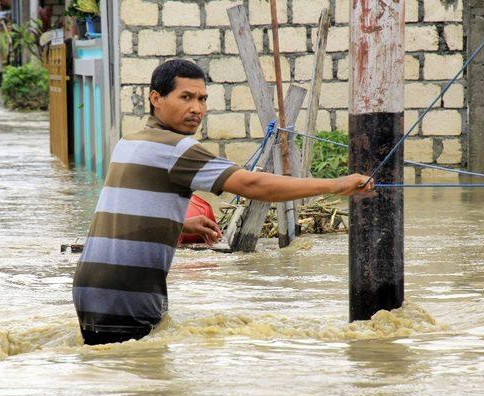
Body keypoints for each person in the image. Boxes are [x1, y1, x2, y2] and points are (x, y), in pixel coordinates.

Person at [73, 59, 374, 346]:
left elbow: (126, 210)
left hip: (91, 287)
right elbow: (251, 184)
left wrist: (180, 223)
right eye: (186, 97)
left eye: (202, 99)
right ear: (156, 98)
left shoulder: (130, 142)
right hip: (126, 292)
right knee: (146, 391)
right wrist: (336, 185)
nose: (197, 108)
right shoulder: (179, 149)